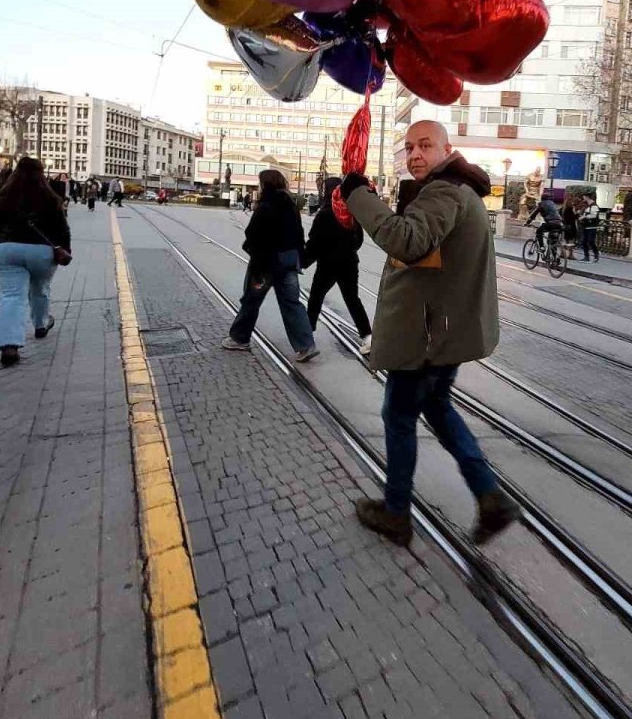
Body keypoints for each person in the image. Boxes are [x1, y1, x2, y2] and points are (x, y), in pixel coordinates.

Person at [340, 120, 520, 547]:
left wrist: (357, 194)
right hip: (443, 333)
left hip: (427, 337)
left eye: (425, 146)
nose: (415, 154)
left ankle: (396, 512)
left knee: (399, 416)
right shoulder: (459, 190)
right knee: (437, 408)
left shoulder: (444, 192)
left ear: (446, 149)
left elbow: (407, 240)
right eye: (409, 148)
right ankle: (490, 496)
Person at [0, 157, 71, 367]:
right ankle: (41, 324)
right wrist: (65, 249)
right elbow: (63, 229)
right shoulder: (50, 197)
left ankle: (9, 346)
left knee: (11, 296)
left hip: (6, 250)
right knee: (40, 288)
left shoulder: (3, 196)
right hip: (41, 252)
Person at [222, 169, 317, 361]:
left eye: (260, 183)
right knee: (292, 303)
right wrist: (299, 259)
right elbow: (299, 234)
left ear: (265, 184)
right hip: (288, 263)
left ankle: (240, 338)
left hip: (265, 265)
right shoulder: (290, 204)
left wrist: (253, 256)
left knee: (251, 300)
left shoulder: (266, 205)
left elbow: (253, 234)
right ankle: (306, 345)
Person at [303, 177, 372, 354]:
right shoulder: (350, 213)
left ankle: (306, 337)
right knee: (352, 300)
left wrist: (302, 262)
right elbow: (358, 240)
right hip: (349, 263)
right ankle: (367, 337)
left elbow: (314, 244)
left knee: (315, 298)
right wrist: (348, 250)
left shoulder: (324, 214)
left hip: (327, 265)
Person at [580, 195, 601, 262]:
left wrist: (584, 217)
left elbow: (594, 215)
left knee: (590, 241)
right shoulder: (587, 206)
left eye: (584, 197)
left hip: (592, 226)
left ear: (587, 197)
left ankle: (596, 254)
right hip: (586, 226)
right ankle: (586, 256)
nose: (583, 198)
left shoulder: (594, 206)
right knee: (584, 241)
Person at [561, 194, 579, 259]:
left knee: (565, 240)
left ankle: (562, 253)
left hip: (565, 226)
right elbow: (572, 218)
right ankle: (570, 255)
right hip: (571, 226)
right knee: (571, 241)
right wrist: (577, 214)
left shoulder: (564, 208)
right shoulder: (570, 209)